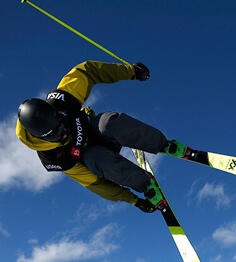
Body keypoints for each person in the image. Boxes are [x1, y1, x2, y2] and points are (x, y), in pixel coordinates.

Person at [16, 60, 197, 213]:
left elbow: (88, 71)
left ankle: (162, 144)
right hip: (98, 160)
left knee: (107, 123)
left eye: (62, 124)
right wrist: (134, 200)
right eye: (57, 136)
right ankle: (146, 184)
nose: (64, 134)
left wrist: (131, 72)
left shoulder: (62, 100)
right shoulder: (53, 158)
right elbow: (95, 184)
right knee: (95, 157)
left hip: (100, 133)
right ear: (41, 137)